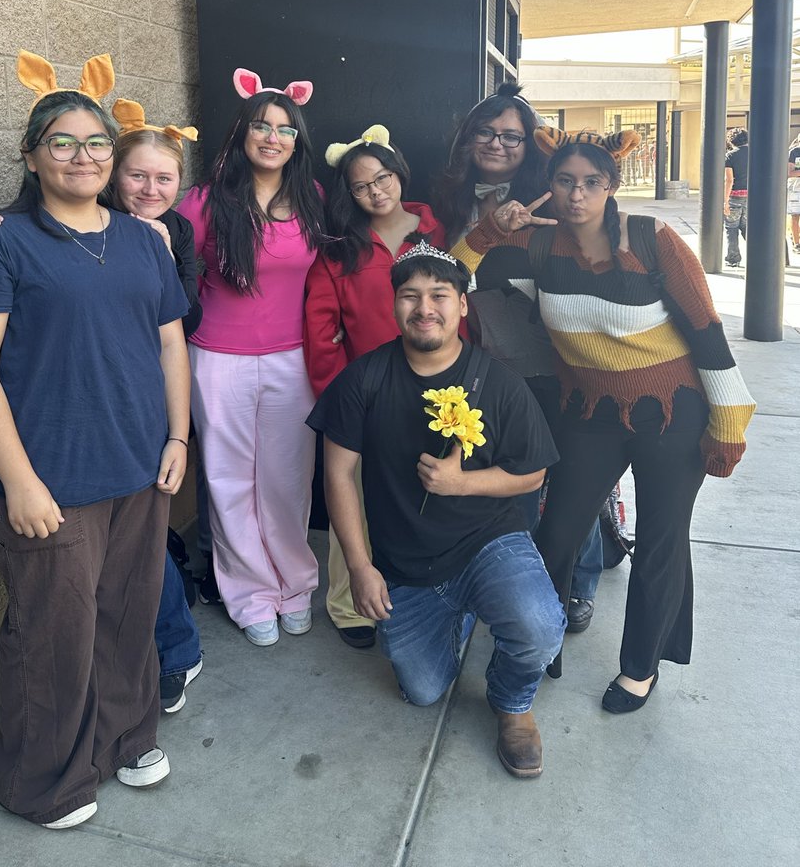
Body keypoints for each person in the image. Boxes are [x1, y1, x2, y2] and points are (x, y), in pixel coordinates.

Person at [0, 52, 191, 828]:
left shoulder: (145, 240)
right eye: (63, 142)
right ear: (32, 154)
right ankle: (45, 780)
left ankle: (126, 736)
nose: (83, 157)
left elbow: (171, 344)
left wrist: (178, 436)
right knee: (54, 631)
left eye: (97, 144)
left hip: (141, 465)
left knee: (127, 612)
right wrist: (18, 480)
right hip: (48, 474)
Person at [452, 127, 755, 712]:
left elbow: (707, 333)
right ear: (551, 186)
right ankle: (541, 641)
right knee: (557, 533)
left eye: (591, 182)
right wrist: (491, 231)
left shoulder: (651, 238)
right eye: (565, 181)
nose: (576, 194)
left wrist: (728, 421)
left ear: (612, 186)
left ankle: (641, 667)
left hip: (672, 409)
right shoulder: (538, 251)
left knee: (662, 540)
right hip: (589, 413)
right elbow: (453, 278)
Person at [308, 244, 564, 778]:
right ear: (395, 304)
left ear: (462, 306)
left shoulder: (498, 381)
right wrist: (360, 567)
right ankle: (460, 613)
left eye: (439, 296)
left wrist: (461, 483)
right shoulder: (365, 380)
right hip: (406, 563)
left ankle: (513, 702)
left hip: (488, 543)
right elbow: (338, 477)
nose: (425, 308)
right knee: (421, 689)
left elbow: (535, 471)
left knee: (539, 626)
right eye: (411, 296)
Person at [433, 84, 603, 633]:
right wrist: (485, 229)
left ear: (531, 146)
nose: (498, 143)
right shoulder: (446, 197)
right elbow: (443, 274)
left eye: (513, 136)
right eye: (487, 131)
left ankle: (577, 583)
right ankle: (517, 583)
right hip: (481, 364)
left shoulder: (552, 204)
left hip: (552, 361)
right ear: (468, 137)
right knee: (510, 481)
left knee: (570, 477)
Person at [178, 69, 325, 646]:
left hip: (293, 358)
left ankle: (296, 584)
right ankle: (248, 593)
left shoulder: (313, 200)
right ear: (241, 133)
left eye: (285, 129)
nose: (272, 137)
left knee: (289, 480)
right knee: (230, 480)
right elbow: (139, 234)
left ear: (298, 141)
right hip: (217, 358)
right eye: (261, 126)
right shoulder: (203, 202)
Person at [304, 124, 445, 648]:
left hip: (435, 389)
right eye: (362, 185)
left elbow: (459, 303)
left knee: (423, 493)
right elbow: (321, 327)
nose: (376, 191)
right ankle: (348, 605)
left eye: (382, 178)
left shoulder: (436, 231)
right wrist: (338, 390)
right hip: (365, 391)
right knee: (354, 497)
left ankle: (421, 589)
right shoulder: (340, 248)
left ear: (398, 174)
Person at [723, 127, 749, 267]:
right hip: (751, 196)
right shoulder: (756, 153)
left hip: (735, 195)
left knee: (731, 227)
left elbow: (729, 180)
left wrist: (725, 201)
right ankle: (755, 254)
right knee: (747, 227)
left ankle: (733, 258)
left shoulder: (730, 156)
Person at [787, 133, 800, 253]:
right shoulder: (794, 152)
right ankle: (797, 243)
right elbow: (790, 172)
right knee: (795, 215)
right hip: (795, 186)